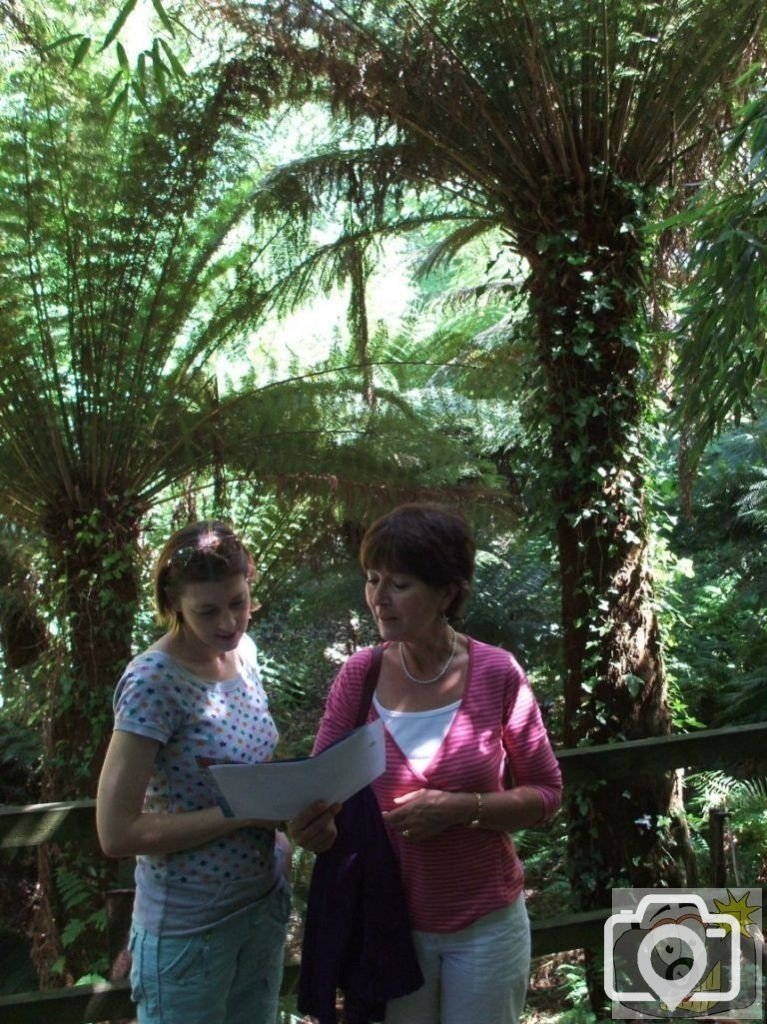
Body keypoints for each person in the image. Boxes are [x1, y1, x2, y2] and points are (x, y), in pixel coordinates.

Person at [291, 503, 563, 1024]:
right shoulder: (359, 677)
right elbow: (319, 789)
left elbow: (547, 794)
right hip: (389, 926)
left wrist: (462, 808)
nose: (379, 598)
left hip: (486, 926)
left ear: (447, 592)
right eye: (372, 579)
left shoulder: (497, 674)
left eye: (400, 583)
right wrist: (312, 826)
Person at [96, 520, 330, 1024]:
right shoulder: (151, 682)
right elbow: (116, 831)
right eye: (207, 610)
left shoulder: (243, 656)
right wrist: (240, 813)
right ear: (173, 604)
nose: (229, 623)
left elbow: (258, 766)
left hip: (262, 908)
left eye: (238, 603)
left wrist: (285, 836)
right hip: (188, 932)